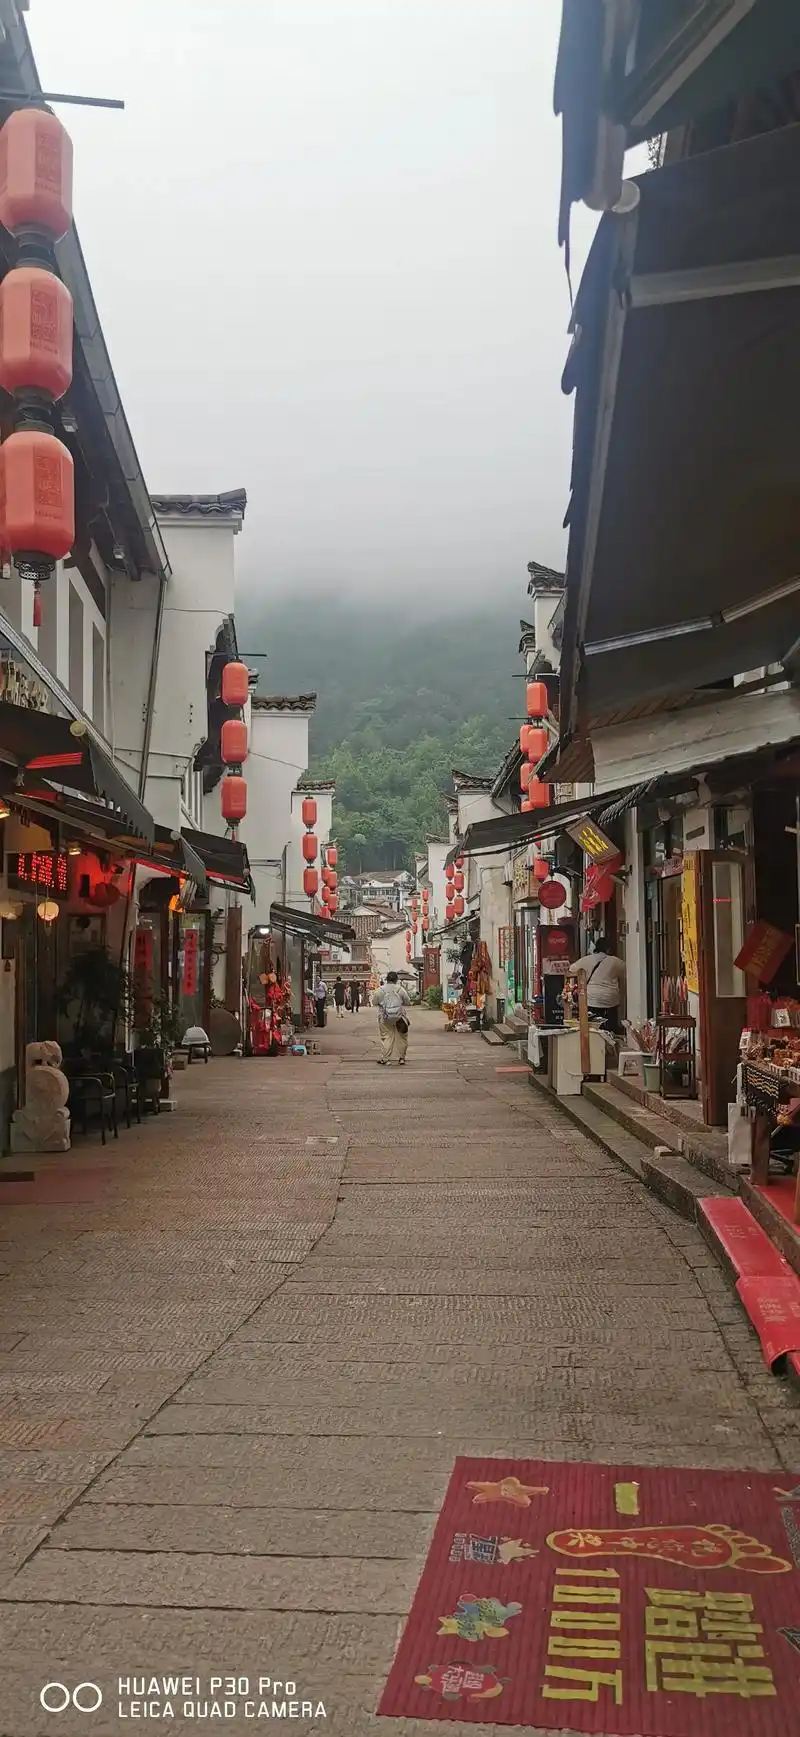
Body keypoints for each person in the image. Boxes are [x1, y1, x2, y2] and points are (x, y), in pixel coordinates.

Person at [569, 936, 625, 1034]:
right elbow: (626, 972)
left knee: (592, 1026)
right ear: (608, 948)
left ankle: (595, 1038)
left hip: (592, 999)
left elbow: (571, 969)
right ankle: (611, 1038)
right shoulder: (615, 961)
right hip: (610, 999)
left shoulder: (586, 960)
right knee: (611, 1025)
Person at [373, 970, 410, 1065]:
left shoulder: (380, 990)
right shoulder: (400, 989)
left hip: (385, 1016)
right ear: (396, 980)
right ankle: (401, 1058)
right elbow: (407, 1002)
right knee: (401, 1037)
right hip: (399, 1017)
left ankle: (386, 1059)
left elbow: (374, 1002)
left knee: (386, 1037)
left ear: (387, 979)